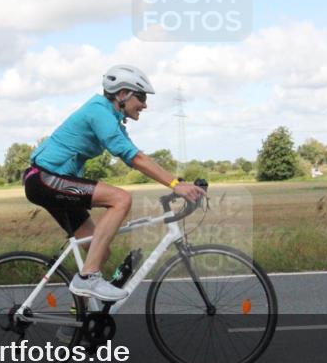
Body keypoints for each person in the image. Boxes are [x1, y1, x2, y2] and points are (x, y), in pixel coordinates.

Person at [23, 64, 206, 302]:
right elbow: (133, 158)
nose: (145, 104)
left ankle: (82, 320)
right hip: (45, 179)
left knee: (100, 251)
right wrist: (174, 185)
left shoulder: (112, 118)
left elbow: (138, 155)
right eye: (141, 97)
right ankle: (88, 278)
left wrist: (178, 182)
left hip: (53, 181)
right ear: (122, 94)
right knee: (121, 199)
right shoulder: (99, 112)